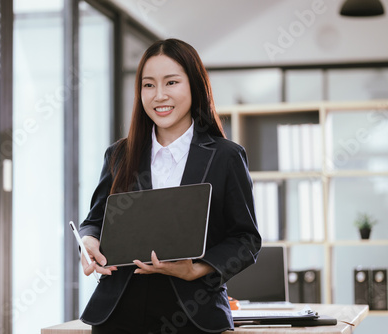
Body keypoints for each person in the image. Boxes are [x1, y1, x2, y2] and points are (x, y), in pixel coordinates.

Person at [79, 38, 261, 333]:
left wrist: (196, 269)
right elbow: (96, 221)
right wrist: (88, 243)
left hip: (193, 314)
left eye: (171, 82)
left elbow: (246, 239)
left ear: (194, 86)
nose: (159, 95)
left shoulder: (226, 156)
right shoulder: (121, 154)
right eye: (148, 85)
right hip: (119, 313)